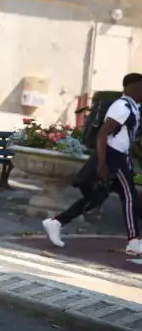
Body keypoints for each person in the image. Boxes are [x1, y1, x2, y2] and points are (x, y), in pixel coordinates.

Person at [43, 73, 142, 255]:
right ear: (133, 88)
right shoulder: (122, 107)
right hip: (114, 157)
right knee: (129, 197)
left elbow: (125, 137)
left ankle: (57, 222)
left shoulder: (133, 107)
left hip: (121, 156)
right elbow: (103, 134)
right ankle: (133, 241)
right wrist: (103, 163)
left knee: (97, 198)